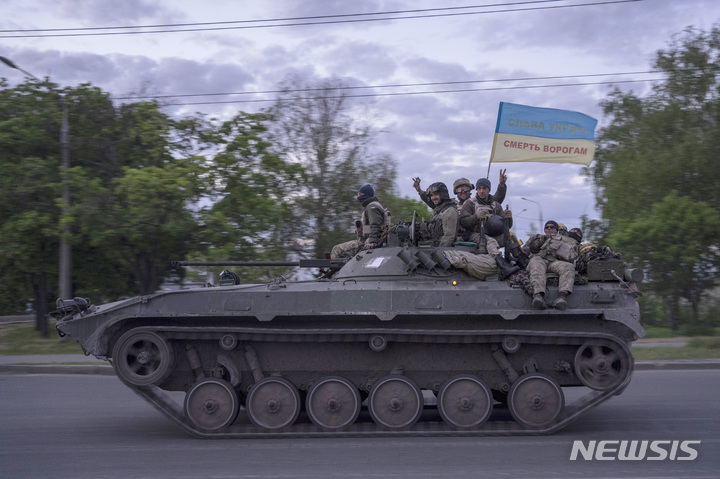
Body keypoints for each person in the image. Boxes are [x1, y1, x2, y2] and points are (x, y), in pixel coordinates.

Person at [521, 220, 580, 310]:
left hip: (554, 262)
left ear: (556, 229)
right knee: (535, 263)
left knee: (569, 267)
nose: (549, 229)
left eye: (552, 227)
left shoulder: (564, 240)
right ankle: (538, 296)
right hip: (539, 259)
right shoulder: (536, 237)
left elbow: (572, 257)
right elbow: (523, 252)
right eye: (547, 227)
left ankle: (562, 297)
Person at [330, 184, 386, 259]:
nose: (358, 196)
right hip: (367, 240)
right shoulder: (372, 206)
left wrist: (372, 242)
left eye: (360, 194)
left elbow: (375, 225)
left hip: (367, 242)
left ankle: (334, 270)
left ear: (367, 194)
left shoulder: (372, 207)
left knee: (337, 249)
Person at [459, 175, 512, 245]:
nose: (481, 191)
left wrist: (508, 219)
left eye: (484, 188)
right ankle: (496, 255)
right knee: (491, 242)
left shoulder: (496, 205)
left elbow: (506, 226)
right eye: (479, 188)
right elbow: (463, 222)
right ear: (477, 190)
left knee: (510, 238)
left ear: (489, 190)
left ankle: (520, 255)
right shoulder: (470, 203)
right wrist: (476, 217)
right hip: (474, 235)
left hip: (493, 234)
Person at [418, 182, 458, 247]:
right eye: (431, 195)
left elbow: (448, 237)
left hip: (443, 251)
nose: (433, 198)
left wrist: (437, 250)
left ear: (443, 194)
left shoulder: (449, 211)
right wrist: (420, 191)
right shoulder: (439, 210)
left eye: (436, 194)